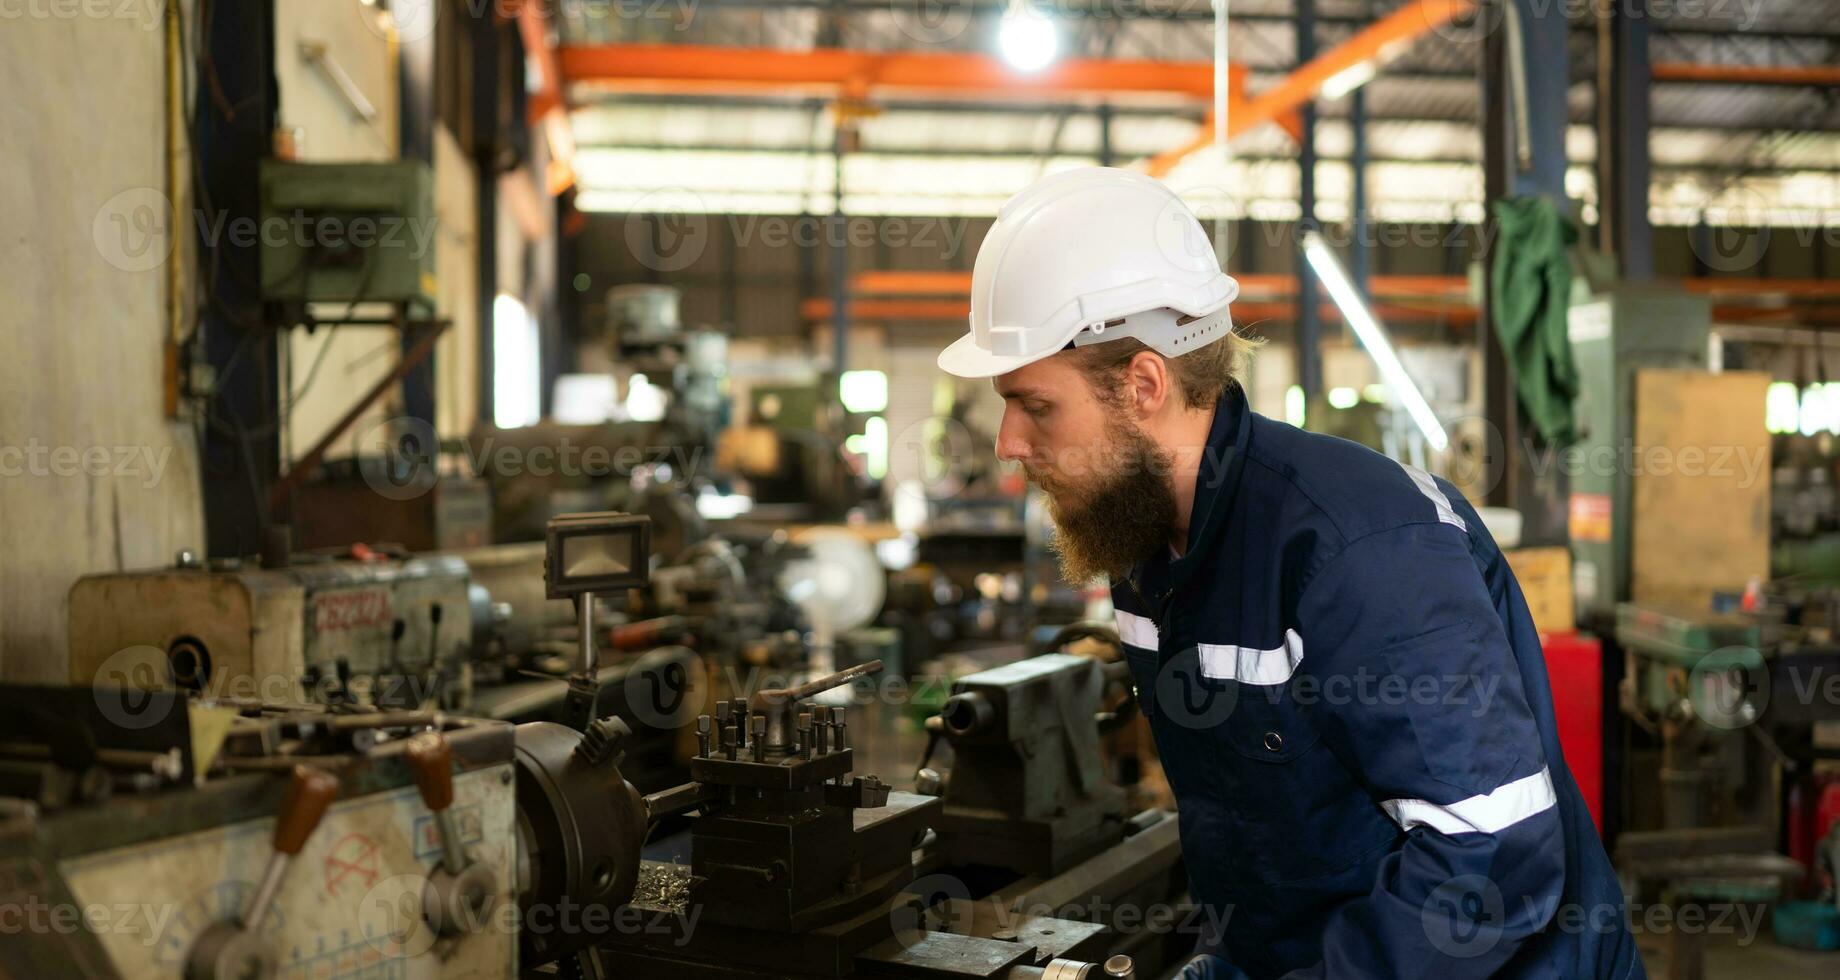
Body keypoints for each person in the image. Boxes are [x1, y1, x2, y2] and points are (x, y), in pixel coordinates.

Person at [936, 168, 1641, 979]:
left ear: (1142, 386)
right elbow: (1248, 827)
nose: (1007, 442)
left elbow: (1490, 864)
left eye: (1035, 405)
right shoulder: (1145, 553)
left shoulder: (1358, 549)